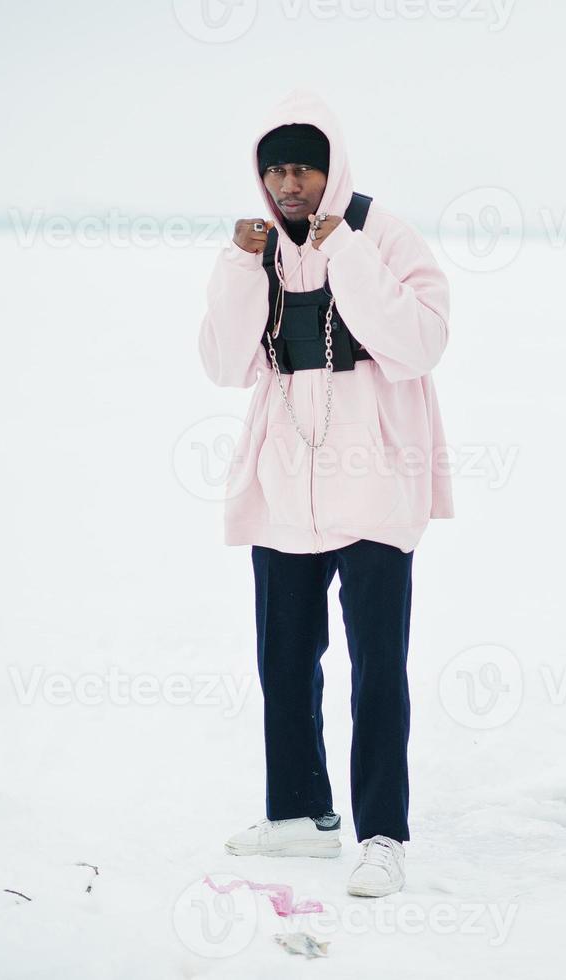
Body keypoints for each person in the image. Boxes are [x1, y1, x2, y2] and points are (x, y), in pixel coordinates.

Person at [197, 88, 453, 898]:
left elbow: (417, 344)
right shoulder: (258, 245)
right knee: (283, 657)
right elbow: (225, 365)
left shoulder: (385, 235)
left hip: (374, 476)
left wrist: (346, 253)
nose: (288, 186)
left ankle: (383, 836)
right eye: (275, 170)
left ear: (331, 167)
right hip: (283, 480)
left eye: (303, 168)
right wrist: (240, 267)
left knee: (378, 668)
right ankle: (301, 816)